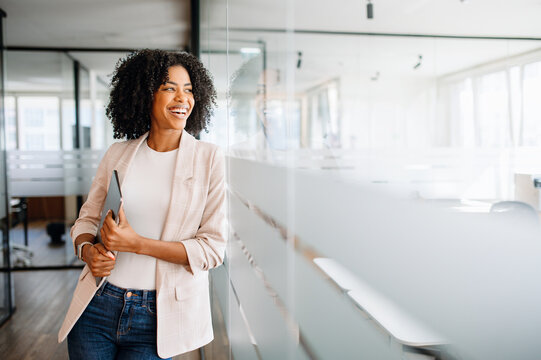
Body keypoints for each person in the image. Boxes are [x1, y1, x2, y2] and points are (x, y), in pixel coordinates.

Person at [57, 49, 225, 360]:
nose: (182, 98)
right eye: (169, 88)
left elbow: (213, 250)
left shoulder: (208, 158)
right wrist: (87, 250)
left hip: (158, 317)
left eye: (188, 90)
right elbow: (86, 221)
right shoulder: (118, 153)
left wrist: (137, 244)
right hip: (98, 304)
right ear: (145, 95)